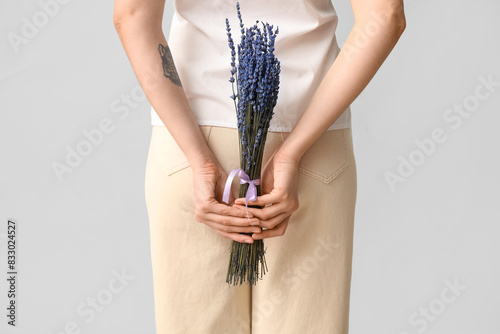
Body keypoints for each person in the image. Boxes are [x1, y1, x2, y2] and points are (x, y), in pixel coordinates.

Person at [113, 0, 405, 333]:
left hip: (191, 138)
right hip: (312, 138)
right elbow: (385, 18)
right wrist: (291, 153)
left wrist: (198, 159)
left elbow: (131, 16)